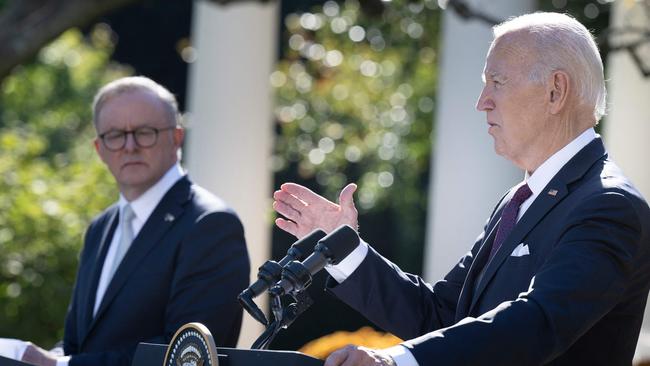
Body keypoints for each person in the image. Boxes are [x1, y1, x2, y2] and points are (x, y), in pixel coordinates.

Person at [273, 12, 650, 365]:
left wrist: (394, 360)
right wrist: (346, 249)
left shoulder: (608, 204)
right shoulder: (520, 201)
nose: (481, 102)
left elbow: (538, 322)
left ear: (555, 90)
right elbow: (441, 316)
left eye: (497, 82)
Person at [21, 76, 250, 366]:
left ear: (176, 138)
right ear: (99, 149)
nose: (129, 146)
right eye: (115, 135)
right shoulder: (100, 228)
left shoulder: (210, 224)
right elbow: (79, 343)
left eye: (145, 132)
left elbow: (187, 354)